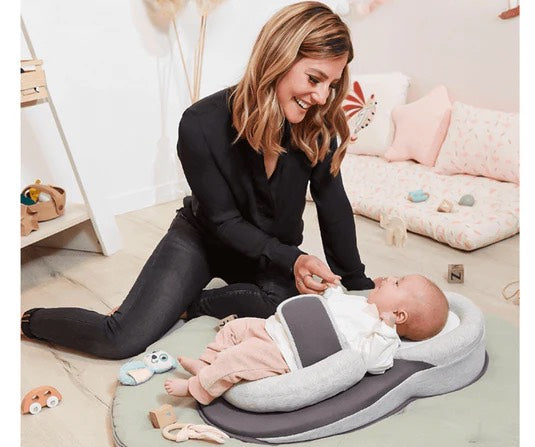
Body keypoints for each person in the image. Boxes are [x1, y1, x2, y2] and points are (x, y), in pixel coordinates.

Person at [20, 2, 375, 360]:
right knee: (121, 340)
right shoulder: (201, 123)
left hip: (269, 253)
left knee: (292, 308)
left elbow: (333, 206)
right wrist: (293, 259)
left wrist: (358, 286)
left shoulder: (318, 126)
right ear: (277, 58)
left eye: (332, 84)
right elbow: (223, 221)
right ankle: (30, 320)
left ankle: (191, 305)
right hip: (204, 240)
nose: (322, 97)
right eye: (314, 79)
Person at [164, 274, 450, 404]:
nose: (388, 279)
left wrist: (386, 330)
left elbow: (373, 362)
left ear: (398, 315)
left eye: (397, 283)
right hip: (276, 327)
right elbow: (332, 306)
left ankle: (197, 388)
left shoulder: (380, 333)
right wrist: (332, 289)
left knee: (238, 359)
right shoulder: (361, 304)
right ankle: (206, 365)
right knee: (234, 329)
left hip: (285, 352)